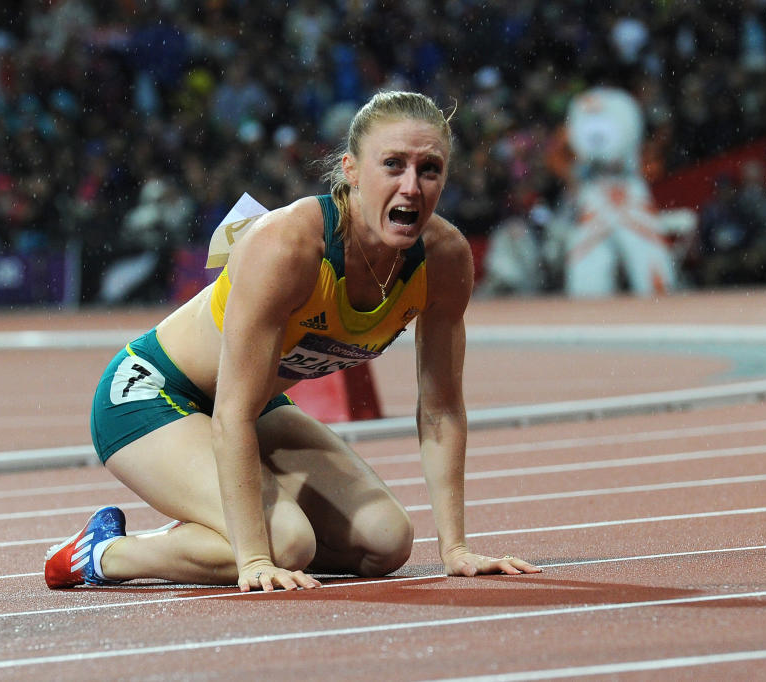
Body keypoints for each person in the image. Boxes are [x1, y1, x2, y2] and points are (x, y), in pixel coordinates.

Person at [44, 91, 541, 592]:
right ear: (350, 169)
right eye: (392, 165)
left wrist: (455, 549)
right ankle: (103, 553)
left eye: (429, 169)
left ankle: (214, 527)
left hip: (252, 403)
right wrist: (254, 558)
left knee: (386, 542)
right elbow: (230, 414)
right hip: (151, 396)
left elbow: (440, 410)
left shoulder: (446, 260)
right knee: (285, 544)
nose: (410, 187)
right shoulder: (289, 245)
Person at [546, 85, 676, 297]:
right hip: (594, 192)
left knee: (646, 251)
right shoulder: (576, 120)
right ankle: (588, 309)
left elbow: (654, 160)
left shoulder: (626, 114)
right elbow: (555, 156)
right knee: (588, 259)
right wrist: (573, 177)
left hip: (628, 190)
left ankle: (662, 301)